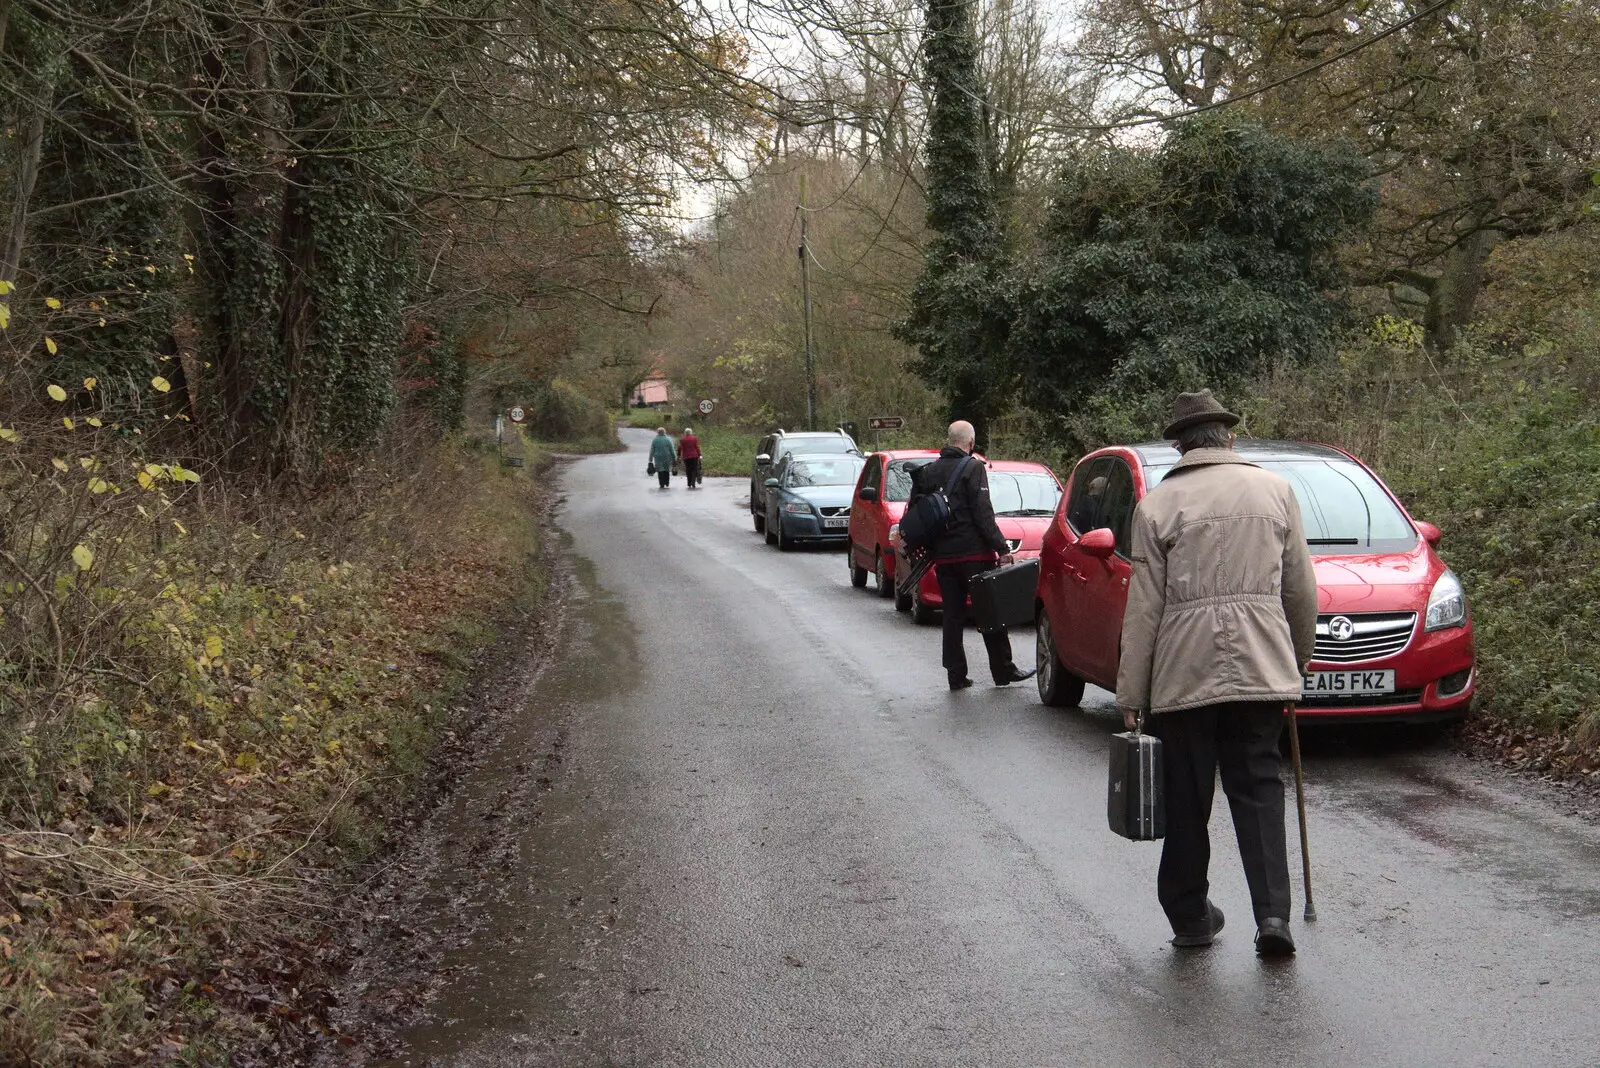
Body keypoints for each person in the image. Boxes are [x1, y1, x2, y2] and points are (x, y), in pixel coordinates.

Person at [1115, 389, 1317, 958]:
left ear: (1179, 445)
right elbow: (1300, 590)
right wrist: (1293, 662)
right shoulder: (1276, 492)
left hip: (1182, 676)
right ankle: (1273, 916)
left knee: (1186, 798)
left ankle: (1190, 917)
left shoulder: (1156, 507)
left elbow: (1144, 609)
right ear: (1227, 438)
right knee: (1258, 792)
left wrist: (1132, 691)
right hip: (1261, 668)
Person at [907, 420, 1035, 691]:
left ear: (949, 439)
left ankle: (955, 675)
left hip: (943, 558)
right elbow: (982, 514)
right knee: (991, 612)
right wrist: (1001, 548)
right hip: (975, 555)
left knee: (952, 616)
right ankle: (1003, 670)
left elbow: (916, 511)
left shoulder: (928, 472)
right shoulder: (973, 468)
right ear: (970, 443)